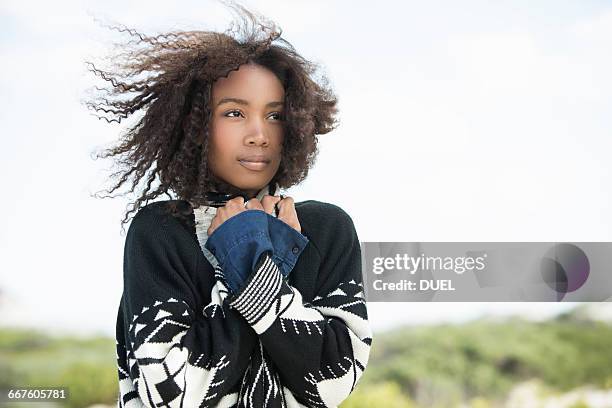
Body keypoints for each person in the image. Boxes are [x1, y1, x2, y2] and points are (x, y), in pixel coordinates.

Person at [86, 2, 372, 407]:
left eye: (275, 115)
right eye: (235, 112)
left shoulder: (325, 229)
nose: (259, 134)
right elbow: (176, 394)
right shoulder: (161, 232)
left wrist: (253, 263)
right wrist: (251, 256)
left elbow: (332, 384)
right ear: (197, 125)